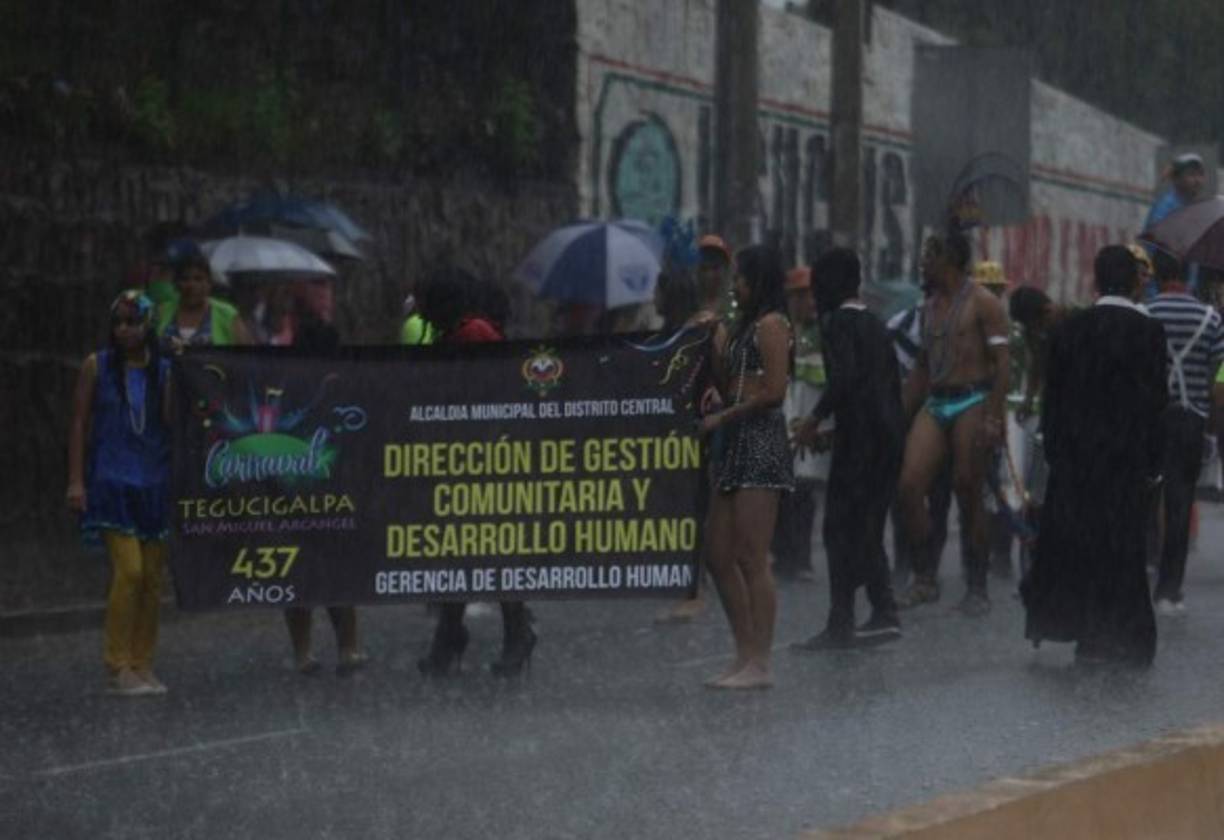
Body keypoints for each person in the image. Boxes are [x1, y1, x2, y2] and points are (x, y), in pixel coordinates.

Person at [1021, 246, 1167, 666]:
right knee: (1122, 549)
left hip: (1077, 461)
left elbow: (1055, 398)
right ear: (1134, 281)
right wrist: (1153, 463)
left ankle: (1084, 629)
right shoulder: (1148, 333)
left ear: (1096, 280)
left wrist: (1056, 452)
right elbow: (1156, 403)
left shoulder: (1070, 330)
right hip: (1125, 462)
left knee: (1079, 546)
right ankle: (1124, 635)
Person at [417, 269, 537, 677]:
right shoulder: (454, 333)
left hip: (485, 454)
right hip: (463, 453)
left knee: (489, 548)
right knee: (459, 549)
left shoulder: (474, 333)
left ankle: (514, 630)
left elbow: (496, 387)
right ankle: (452, 633)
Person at [791, 249, 904, 650]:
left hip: (862, 445)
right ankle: (882, 611)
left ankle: (845, 621)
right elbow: (878, 391)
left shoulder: (835, 323)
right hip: (886, 441)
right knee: (867, 527)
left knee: (840, 528)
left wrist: (812, 420)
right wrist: (836, 432)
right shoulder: (876, 325)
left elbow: (845, 380)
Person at [896, 231, 1010, 616]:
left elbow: (1003, 366)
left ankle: (977, 584)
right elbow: (923, 368)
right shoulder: (928, 307)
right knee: (910, 485)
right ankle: (925, 575)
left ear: (949, 258)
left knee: (967, 486)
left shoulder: (984, 303)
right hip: (937, 398)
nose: (923, 261)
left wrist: (994, 417)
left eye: (931, 254)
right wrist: (899, 414)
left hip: (973, 397)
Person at [67, 290, 172, 696]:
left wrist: (178, 367)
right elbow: (78, 422)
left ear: (149, 326)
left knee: (151, 579)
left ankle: (143, 662)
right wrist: (76, 480)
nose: (125, 329)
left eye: (134, 321)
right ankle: (117, 664)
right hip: (111, 479)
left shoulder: (161, 369)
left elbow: (168, 419)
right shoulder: (98, 366)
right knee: (129, 571)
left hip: (154, 480)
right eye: (119, 322)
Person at [699, 244, 793, 689]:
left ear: (758, 281)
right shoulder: (743, 328)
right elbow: (730, 384)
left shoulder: (773, 325)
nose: (735, 286)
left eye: (741, 278)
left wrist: (725, 415)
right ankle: (742, 651)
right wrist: (714, 341)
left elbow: (773, 392)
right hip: (734, 440)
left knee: (752, 557)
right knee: (718, 554)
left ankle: (761, 661)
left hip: (759, 441)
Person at [282, 315, 369, 676]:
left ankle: (304, 653)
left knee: (296, 574)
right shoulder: (342, 383)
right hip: (333, 490)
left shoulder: (286, 382)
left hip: (295, 489)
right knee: (336, 573)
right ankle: (348, 649)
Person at [655, 236, 733, 624]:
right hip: (688, 422)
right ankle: (695, 581)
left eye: (717, 266)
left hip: (719, 422)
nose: (710, 274)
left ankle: (700, 587)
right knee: (690, 504)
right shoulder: (688, 319)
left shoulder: (730, 318)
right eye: (704, 266)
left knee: (707, 504)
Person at [1146, 249, 1224, 615]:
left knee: (1145, 499)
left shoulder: (1146, 314)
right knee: (1179, 502)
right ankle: (1169, 589)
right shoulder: (1210, 317)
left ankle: (1139, 572)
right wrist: (1211, 421)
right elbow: (1218, 378)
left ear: (1157, 277)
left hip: (1151, 418)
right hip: (1191, 420)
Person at [772, 266, 823, 583]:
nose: (808, 302)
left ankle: (801, 558)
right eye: (801, 295)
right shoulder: (779, 330)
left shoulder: (823, 332)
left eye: (811, 295)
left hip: (810, 418)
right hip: (783, 414)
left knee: (805, 492)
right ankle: (782, 557)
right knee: (782, 492)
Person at [155, 242, 252, 348]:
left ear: (209, 283)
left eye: (198, 279)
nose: (191, 285)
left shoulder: (227, 315)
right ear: (177, 283)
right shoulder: (161, 312)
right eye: (185, 279)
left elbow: (247, 354)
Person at [1145, 153, 1207, 294]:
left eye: (1200, 175)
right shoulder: (1164, 209)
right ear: (1177, 179)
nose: (1197, 181)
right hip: (1164, 294)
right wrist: (1153, 293)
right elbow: (1151, 253)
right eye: (1191, 175)